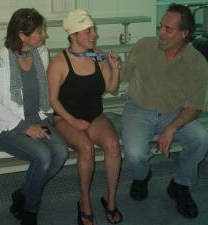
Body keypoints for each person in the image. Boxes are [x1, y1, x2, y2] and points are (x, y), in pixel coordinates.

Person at [121, 3, 208, 219]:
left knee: (201, 138)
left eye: (168, 29)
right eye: (160, 26)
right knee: (134, 153)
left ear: (184, 33)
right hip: (138, 109)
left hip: (173, 113)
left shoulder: (197, 62)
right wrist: (111, 67)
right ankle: (142, 176)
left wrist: (171, 128)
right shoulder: (144, 46)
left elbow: (195, 106)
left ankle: (180, 185)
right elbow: (121, 78)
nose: (160, 32)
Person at [0, 8, 68, 225]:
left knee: (60, 153)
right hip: (6, 124)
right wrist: (25, 127)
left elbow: (47, 91)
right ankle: (31, 210)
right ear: (23, 36)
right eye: (40, 32)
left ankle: (23, 193)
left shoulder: (41, 52)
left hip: (37, 117)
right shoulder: (2, 61)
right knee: (43, 156)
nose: (44, 36)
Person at [47, 9, 123, 225]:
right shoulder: (59, 63)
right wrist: (73, 121)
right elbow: (53, 101)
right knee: (87, 149)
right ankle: (84, 201)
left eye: (93, 29)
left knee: (113, 146)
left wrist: (115, 68)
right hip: (66, 118)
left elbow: (112, 88)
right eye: (88, 31)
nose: (94, 35)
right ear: (73, 35)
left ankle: (110, 198)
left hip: (94, 115)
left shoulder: (97, 55)